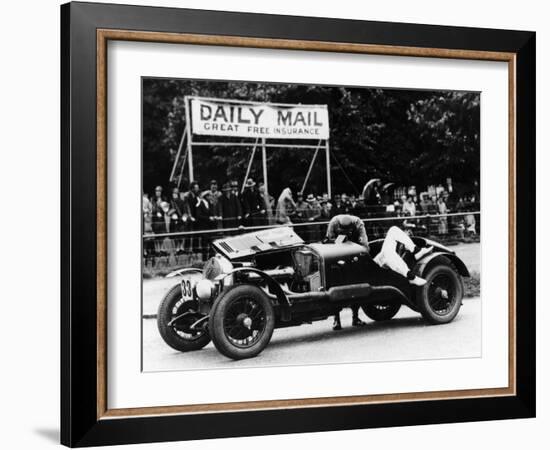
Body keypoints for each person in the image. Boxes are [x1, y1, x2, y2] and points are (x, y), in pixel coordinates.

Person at [326, 214, 432, 330]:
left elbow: (365, 248)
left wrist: (349, 246)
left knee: (393, 231)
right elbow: (328, 244)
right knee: (338, 274)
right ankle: (337, 319)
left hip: (367, 264)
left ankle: (414, 255)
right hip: (350, 262)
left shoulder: (358, 224)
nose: (408, 235)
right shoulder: (333, 223)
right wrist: (339, 243)